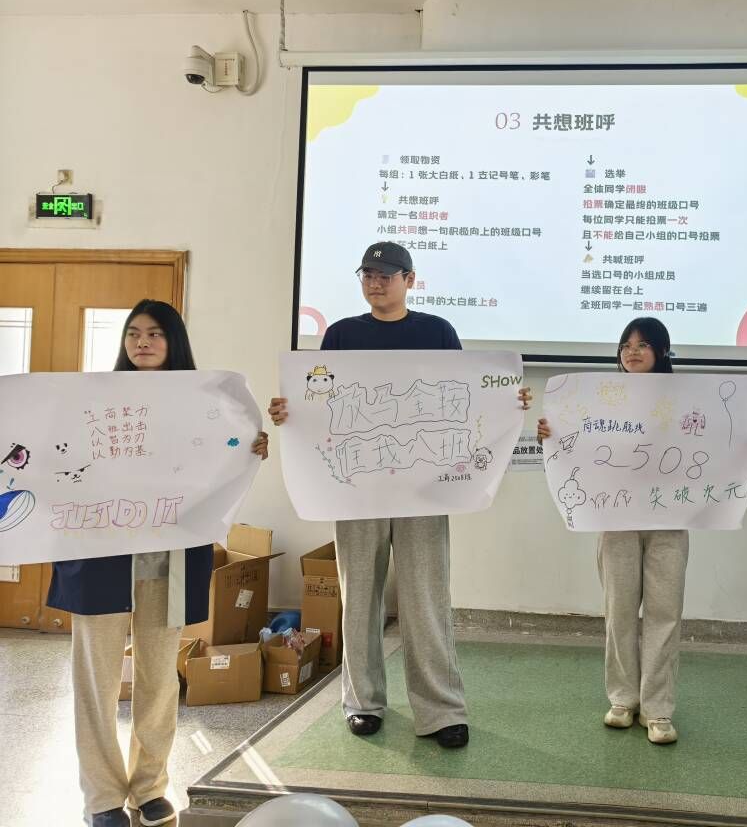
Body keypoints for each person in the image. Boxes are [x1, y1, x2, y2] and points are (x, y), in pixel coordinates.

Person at [269, 241, 529, 748]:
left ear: (409, 280)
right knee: (358, 597)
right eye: (368, 274)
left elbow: (465, 397)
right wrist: (289, 410)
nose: (375, 282)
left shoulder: (436, 332)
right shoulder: (341, 334)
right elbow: (321, 402)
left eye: (386, 275)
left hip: (422, 491)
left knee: (426, 598)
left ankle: (441, 710)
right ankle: (362, 702)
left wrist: (507, 400)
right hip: (355, 490)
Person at [48, 301, 269, 827]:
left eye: (154, 333)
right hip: (100, 554)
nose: (141, 342)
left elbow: (222, 452)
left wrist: (248, 447)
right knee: (96, 682)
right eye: (133, 333)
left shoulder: (202, 403)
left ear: (174, 341)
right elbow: (57, 457)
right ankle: (102, 798)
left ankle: (149, 788)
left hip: (167, 557)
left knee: (159, 679)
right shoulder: (92, 401)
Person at [537, 317, 747, 744]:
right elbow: (575, 443)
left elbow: (719, 439)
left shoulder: (686, 400)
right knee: (619, 611)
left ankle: (658, 708)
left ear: (661, 352)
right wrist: (550, 433)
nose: (632, 351)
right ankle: (623, 699)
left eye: (642, 344)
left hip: (670, 522)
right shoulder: (598, 401)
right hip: (615, 520)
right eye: (626, 345)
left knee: (665, 613)